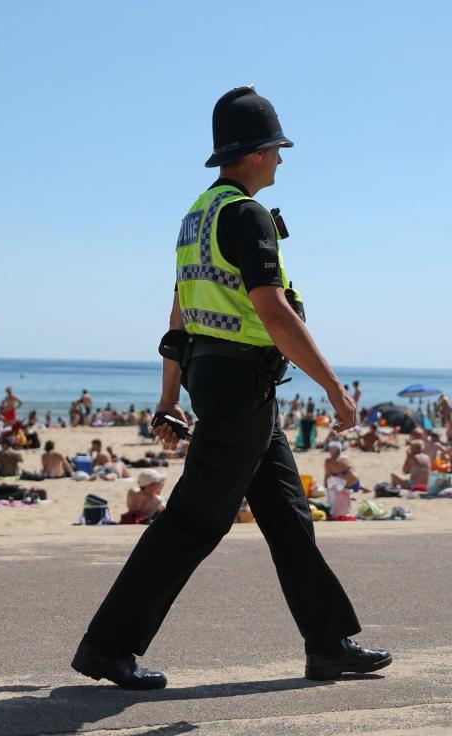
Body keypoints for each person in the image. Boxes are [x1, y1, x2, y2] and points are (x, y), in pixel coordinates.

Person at [72, 86, 388, 691]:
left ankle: (327, 645)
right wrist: (334, 389)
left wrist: (170, 397)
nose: (281, 159)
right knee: (194, 520)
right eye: (276, 148)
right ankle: (108, 645)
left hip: (225, 384)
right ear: (254, 153)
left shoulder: (197, 216)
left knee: (290, 516)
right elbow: (274, 312)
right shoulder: (246, 215)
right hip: (241, 385)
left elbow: (178, 317)